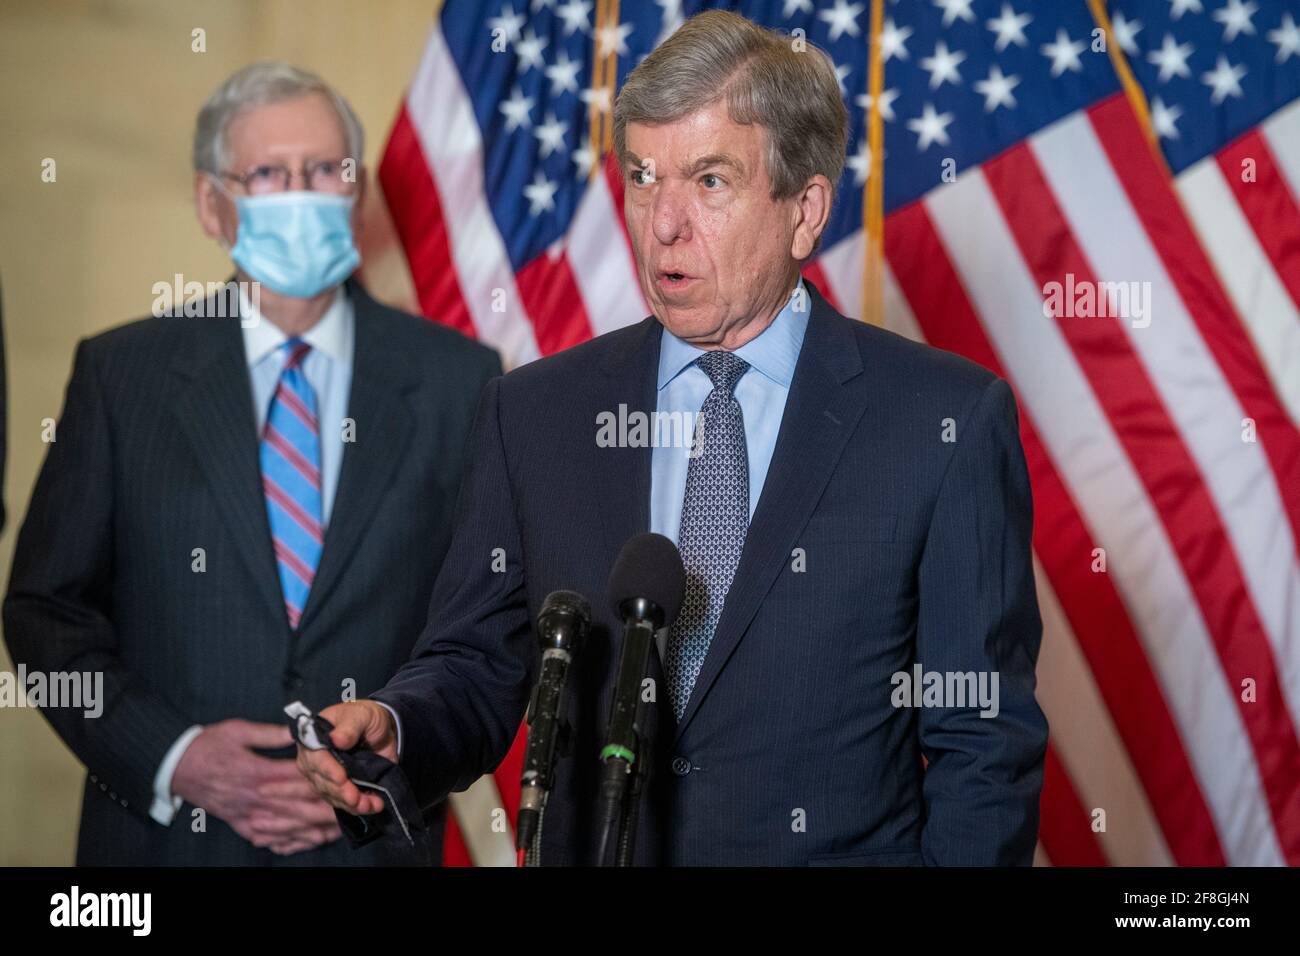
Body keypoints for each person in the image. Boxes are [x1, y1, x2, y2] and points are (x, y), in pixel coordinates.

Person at [299, 10, 1048, 866]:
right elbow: (476, 661)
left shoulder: (941, 422)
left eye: (711, 181)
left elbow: (983, 748)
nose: (662, 224)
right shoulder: (534, 412)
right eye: (645, 178)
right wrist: (398, 727)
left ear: (805, 210)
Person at [3, 61, 500, 865]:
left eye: (323, 170)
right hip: (161, 852)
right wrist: (173, 756)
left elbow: (483, 632)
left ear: (357, 188)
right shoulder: (121, 374)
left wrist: (389, 755)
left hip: (371, 844)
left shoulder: (463, 381)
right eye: (269, 172)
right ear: (211, 202)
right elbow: (43, 611)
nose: (300, 193)